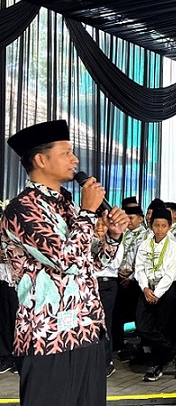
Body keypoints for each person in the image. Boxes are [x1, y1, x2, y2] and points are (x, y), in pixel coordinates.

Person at [0, 119, 129, 406]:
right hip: (49, 337)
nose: (75, 160)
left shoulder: (67, 204)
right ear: (40, 160)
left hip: (87, 331)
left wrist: (113, 236)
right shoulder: (22, 209)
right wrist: (87, 212)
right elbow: (64, 260)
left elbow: (90, 264)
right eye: (66, 153)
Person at [134, 208, 176, 382]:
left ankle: (157, 365)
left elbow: (170, 274)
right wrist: (145, 288)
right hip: (147, 288)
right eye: (156, 225)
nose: (160, 229)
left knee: (162, 327)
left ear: (169, 226)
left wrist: (157, 293)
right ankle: (175, 351)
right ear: (151, 225)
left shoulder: (173, 246)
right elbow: (139, 268)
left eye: (163, 226)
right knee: (143, 326)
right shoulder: (145, 245)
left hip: (165, 290)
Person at [113, 205, 147, 358]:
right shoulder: (122, 233)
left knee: (135, 313)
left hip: (134, 280)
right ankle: (118, 343)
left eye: (131, 218)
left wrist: (131, 277)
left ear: (140, 219)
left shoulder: (145, 236)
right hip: (118, 275)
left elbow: (141, 260)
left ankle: (140, 346)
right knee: (117, 313)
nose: (128, 221)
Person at [92, 218, 122, 377]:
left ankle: (107, 361)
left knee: (104, 323)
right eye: (96, 224)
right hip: (90, 284)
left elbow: (114, 264)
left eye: (103, 225)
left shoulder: (116, 241)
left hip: (107, 284)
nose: (99, 228)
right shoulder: (88, 240)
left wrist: (105, 247)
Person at [0, 214, 18, 374]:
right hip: (3, 281)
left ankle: (18, 358)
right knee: (4, 321)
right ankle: (6, 357)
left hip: (18, 284)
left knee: (16, 320)